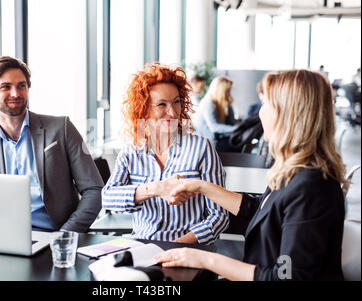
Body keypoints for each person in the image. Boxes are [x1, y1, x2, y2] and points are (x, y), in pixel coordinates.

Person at [155, 69, 348, 280]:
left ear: (289, 114)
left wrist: (205, 259)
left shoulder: (311, 187)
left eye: (266, 104)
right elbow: (261, 213)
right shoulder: (293, 171)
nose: (259, 113)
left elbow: (288, 276)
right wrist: (202, 187)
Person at [0, 56, 103, 232]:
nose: (15, 93)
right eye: (6, 87)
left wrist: (65, 236)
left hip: (59, 236)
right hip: (4, 240)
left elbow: (94, 189)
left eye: (21, 85)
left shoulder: (62, 129)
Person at [101, 63, 229, 245]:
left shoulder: (202, 149)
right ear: (143, 109)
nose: (173, 112)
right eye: (162, 104)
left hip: (188, 249)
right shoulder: (131, 151)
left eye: (177, 102)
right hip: (141, 247)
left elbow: (219, 217)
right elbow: (107, 198)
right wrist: (156, 189)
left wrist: (176, 247)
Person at [192, 76, 239, 152]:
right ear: (221, 91)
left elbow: (231, 123)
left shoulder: (218, 104)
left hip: (213, 141)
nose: (229, 94)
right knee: (235, 145)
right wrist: (237, 129)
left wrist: (230, 106)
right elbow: (214, 127)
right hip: (206, 144)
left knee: (236, 143)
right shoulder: (208, 103)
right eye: (227, 91)